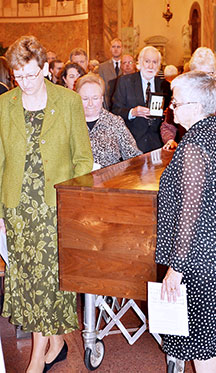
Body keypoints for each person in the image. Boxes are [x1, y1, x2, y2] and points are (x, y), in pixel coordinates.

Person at [0, 35, 93, 373]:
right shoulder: (4, 104)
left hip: (55, 206)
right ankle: (56, 341)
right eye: (17, 76)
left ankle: (37, 356)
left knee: (47, 278)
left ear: (44, 69)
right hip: (18, 207)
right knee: (27, 277)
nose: (23, 83)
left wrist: (75, 204)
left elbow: (83, 158)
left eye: (30, 75)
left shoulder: (67, 101)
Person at [156, 71, 216, 373]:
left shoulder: (193, 146)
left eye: (176, 102)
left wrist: (175, 270)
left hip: (198, 264)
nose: (171, 108)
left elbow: (191, 212)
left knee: (203, 351)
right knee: (211, 349)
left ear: (195, 104)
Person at [161, 47, 216, 162]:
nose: (207, 79)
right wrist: (170, 140)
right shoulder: (184, 94)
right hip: (192, 159)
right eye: (201, 75)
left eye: (210, 73)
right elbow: (167, 126)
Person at [75, 73, 142, 168]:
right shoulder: (69, 123)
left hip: (110, 180)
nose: (90, 104)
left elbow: (134, 157)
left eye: (95, 98)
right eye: (85, 99)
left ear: (102, 98)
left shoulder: (115, 122)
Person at [112, 46, 165, 153]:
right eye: (147, 61)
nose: (150, 66)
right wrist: (132, 112)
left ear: (159, 65)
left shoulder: (165, 85)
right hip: (132, 143)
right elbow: (115, 111)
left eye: (154, 62)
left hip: (157, 144)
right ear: (140, 62)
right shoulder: (125, 82)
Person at [98, 38, 123, 107]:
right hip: (108, 103)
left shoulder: (126, 65)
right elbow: (101, 88)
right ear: (110, 49)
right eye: (113, 47)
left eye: (118, 47)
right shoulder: (102, 67)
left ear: (122, 49)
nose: (116, 49)